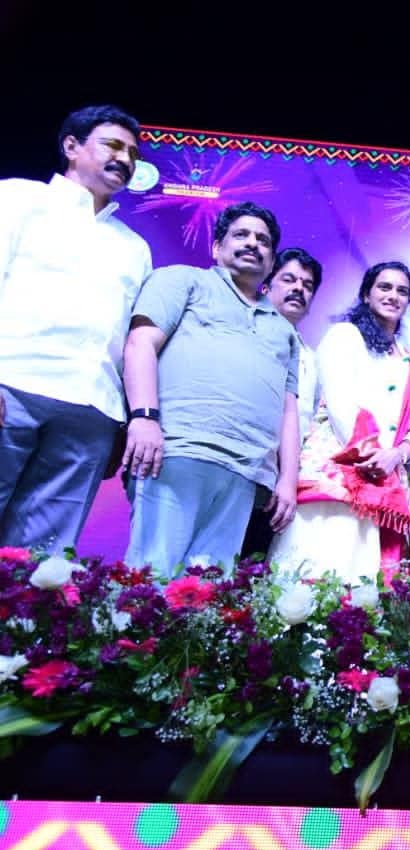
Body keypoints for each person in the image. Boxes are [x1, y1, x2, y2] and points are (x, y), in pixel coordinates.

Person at [0, 105, 152, 551]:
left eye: (132, 153)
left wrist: (122, 421)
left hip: (91, 409)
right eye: (112, 145)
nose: (124, 159)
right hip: (12, 384)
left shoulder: (134, 247)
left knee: (40, 557)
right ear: (71, 146)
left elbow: (129, 341)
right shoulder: (17, 199)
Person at [122, 202, 299, 575]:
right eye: (241, 235)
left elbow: (288, 410)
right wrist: (144, 418)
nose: (252, 244)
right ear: (217, 247)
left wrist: (287, 480)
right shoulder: (183, 281)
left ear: (271, 261)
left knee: (208, 590)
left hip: (247, 471)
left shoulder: (284, 331)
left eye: (263, 240)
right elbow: (140, 344)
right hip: (176, 451)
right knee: (150, 578)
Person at [269, 261, 410, 583]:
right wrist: (372, 456)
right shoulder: (345, 336)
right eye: (384, 287)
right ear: (366, 294)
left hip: (385, 477)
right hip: (339, 467)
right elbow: (341, 404)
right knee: (316, 565)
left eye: (402, 291)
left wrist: (396, 455)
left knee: (361, 572)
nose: (393, 296)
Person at [241, 247, 323, 559]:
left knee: (252, 568)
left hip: (281, 486)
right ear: (266, 285)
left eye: (307, 285)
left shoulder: (311, 358)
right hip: (240, 468)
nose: (299, 289)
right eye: (289, 280)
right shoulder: (245, 331)